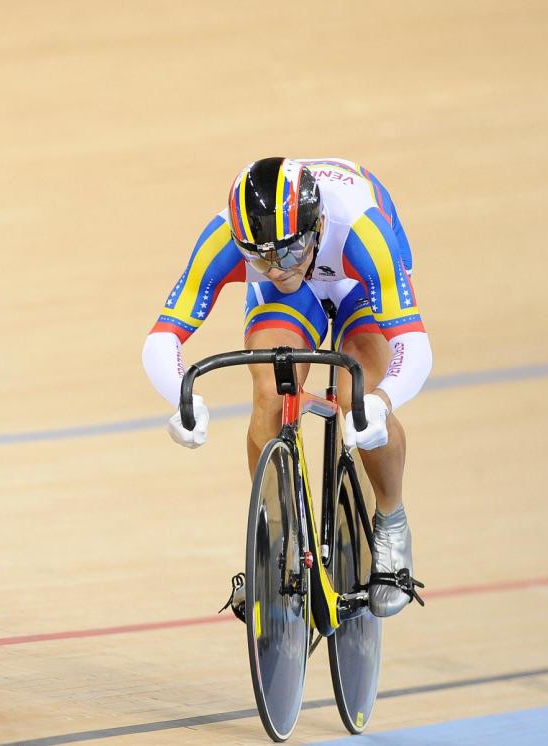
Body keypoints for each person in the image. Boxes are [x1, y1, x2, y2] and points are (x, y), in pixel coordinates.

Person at [142, 157, 431, 617]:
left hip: (357, 281)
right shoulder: (230, 238)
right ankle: (275, 541)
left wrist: (381, 400)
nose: (277, 269)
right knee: (271, 395)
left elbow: (415, 348)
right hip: (301, 292)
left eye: (289, 253)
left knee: (360, 397)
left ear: (316, 227)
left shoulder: (363, 230)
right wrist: (181, 395)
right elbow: (163, 335)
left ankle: (391, 520)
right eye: (260, 257)